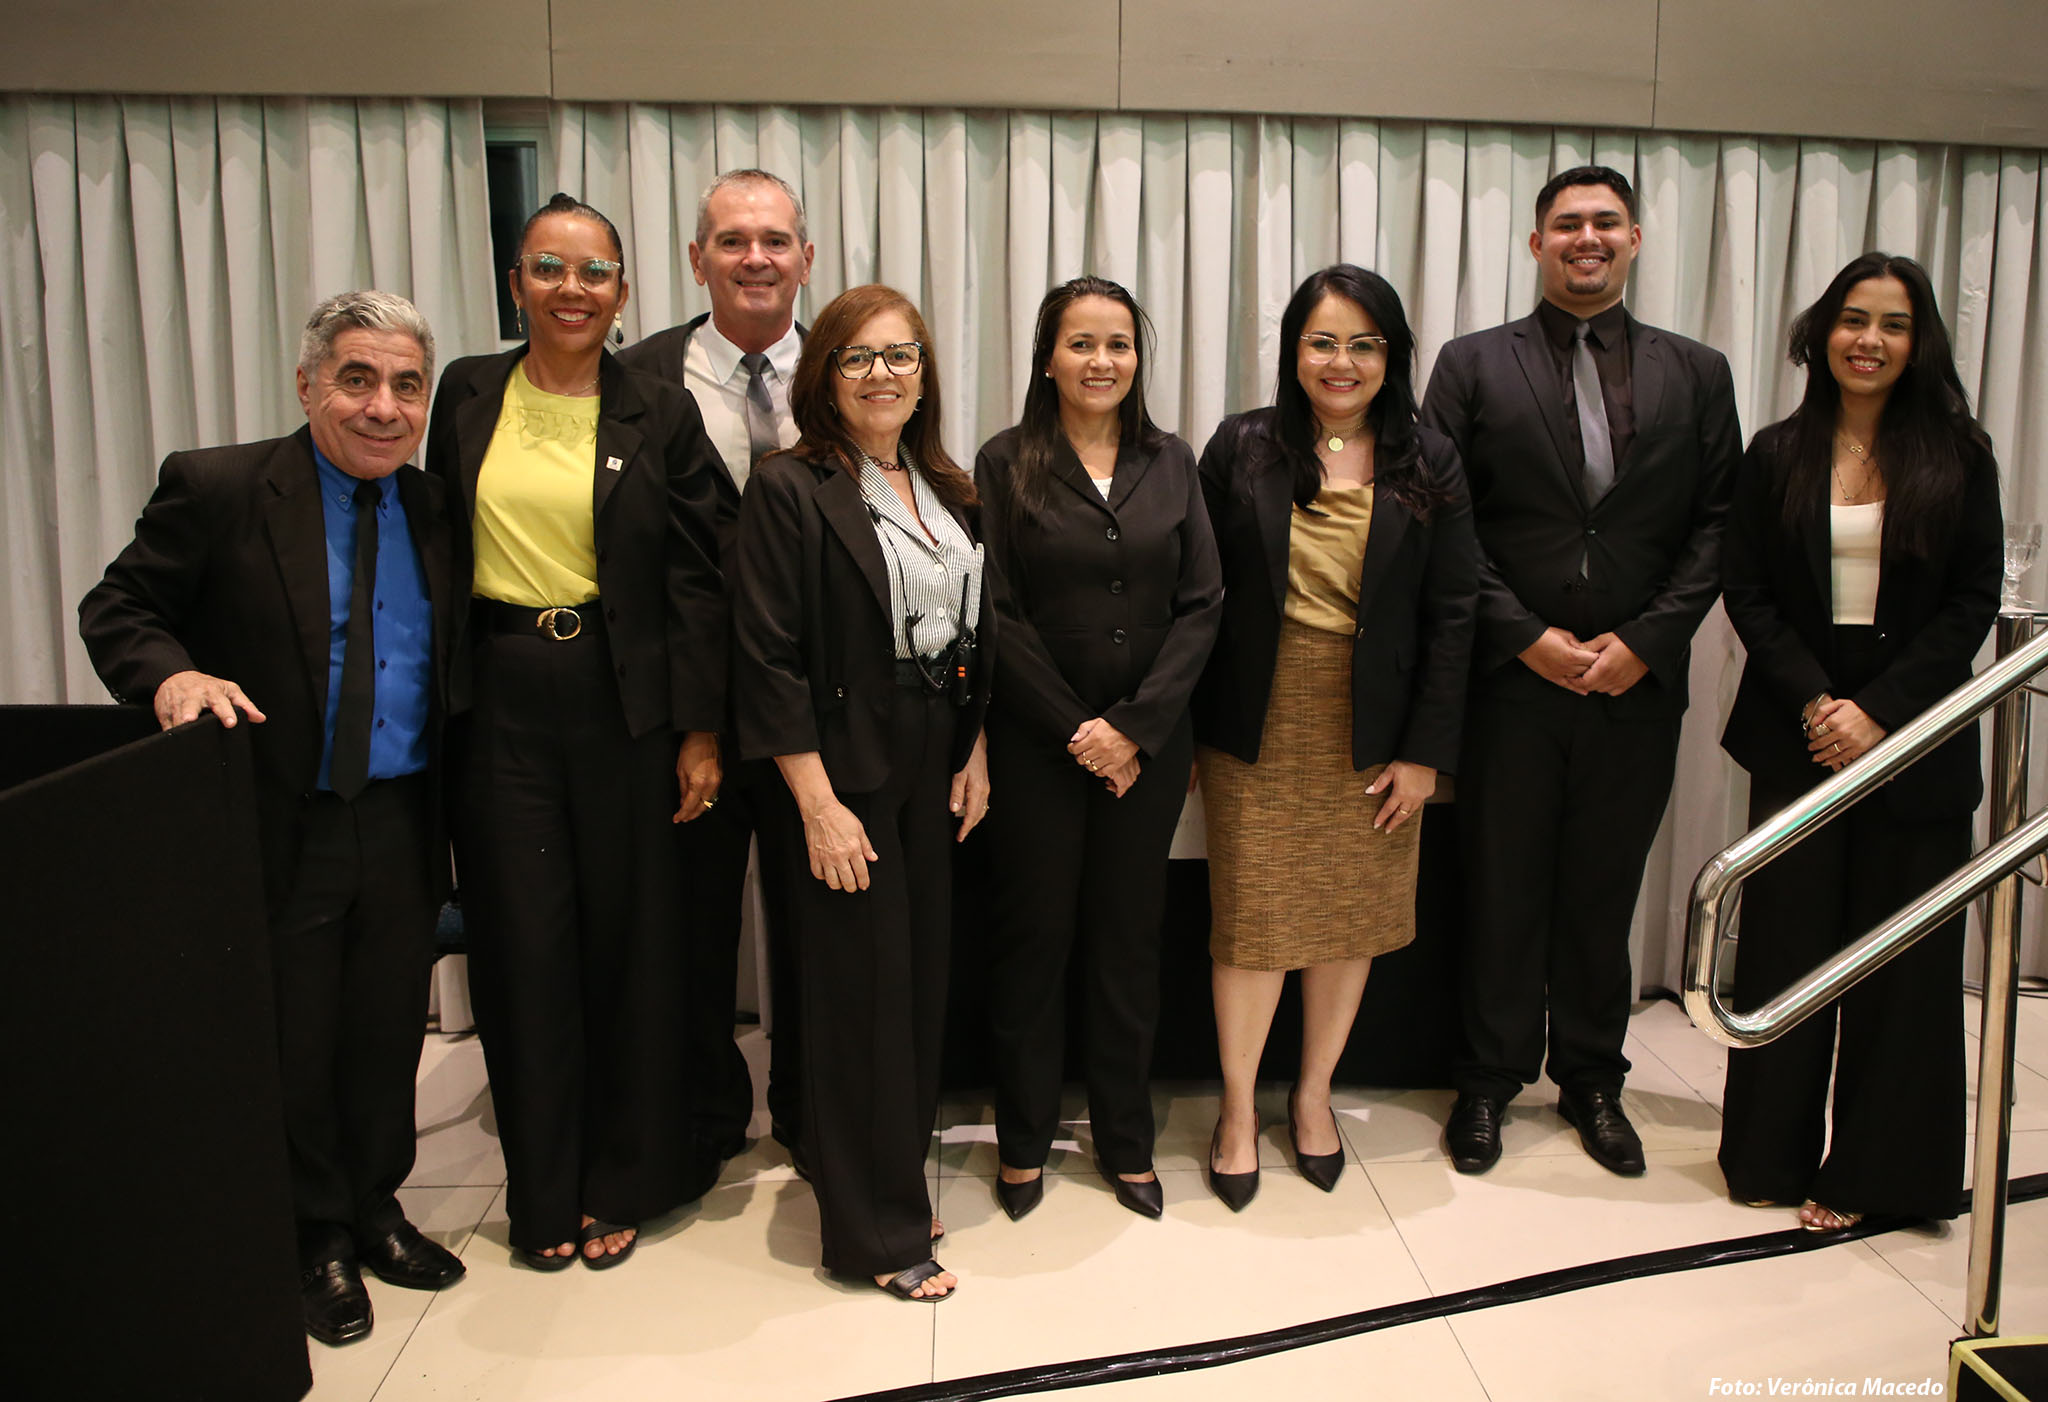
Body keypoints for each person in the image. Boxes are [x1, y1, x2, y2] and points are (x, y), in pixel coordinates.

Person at [79, 291, 464, 1346]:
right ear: (307, 385)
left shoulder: (435, 506)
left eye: (406, 386)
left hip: (402, 813)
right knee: (297, 1034)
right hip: (283, 814)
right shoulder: (220, 487)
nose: (383, 406)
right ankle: (313, 1235)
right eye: (357, 379)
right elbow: (119, 607)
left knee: (385, 1028)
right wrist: (171, 676)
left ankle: (376, 1206)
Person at [424, 193, 731, 1272]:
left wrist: (700, 731)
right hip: (498, 697)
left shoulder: (660, 409)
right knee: (521, 947)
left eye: (594, 271)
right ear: (516, 283)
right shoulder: (465, 392)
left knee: (628, 947)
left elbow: (698, 578)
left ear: (624, 291)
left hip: (623, 702)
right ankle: (542, 1190)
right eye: (548, 267)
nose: (571, 288)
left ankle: (621, 1178)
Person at [1421, 165, 1740, 1178]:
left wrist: (1644, 642)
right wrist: (1524, 635)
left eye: (1606, 222)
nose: (1586, 239)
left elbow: (1718, 526)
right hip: (1510, 683)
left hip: (1635, 686)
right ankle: (1486, 1080)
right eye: (1566, 224)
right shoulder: (1472, 365)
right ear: (1536, 244)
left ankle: (1593, 1078)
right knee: (1501, 889)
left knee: (1603, 894)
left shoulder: (1698, 372)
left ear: (1635, 239)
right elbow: (1441, 518)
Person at [1717, 252, 2001, 1231]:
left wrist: (1878, 711)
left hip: (1915, 742)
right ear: (1820, 332)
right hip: (1798, 736)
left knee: (1903, 973)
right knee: (1785, 956)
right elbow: (1746, 589)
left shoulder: (1960, 456)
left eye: (1892, 324)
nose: (1867, 340)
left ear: (1918, 343)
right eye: (1851, 319)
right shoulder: (1775, 452)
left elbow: (1970, 602)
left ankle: (1881, 1178)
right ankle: (1767, 1157)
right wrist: (1818, 702)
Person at [1192, 264, 1477, 1210]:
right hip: (1255, 717)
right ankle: (1239, 1109)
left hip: (1378, 728)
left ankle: (1313, 1095)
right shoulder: (1241, 446)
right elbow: (1196, 596)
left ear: (1391, 356)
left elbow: (1454, 613)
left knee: (1349, 917)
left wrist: (1425, 752)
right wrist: (1183, 731)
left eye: (1363, 343)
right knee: (1252, 921)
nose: (1341, 361)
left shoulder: (1429, 458)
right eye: (1322, 341)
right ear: (1293, 351)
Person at [731, 283, 993, 1300]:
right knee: (859, 999)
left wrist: (975, 749)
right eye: (858, 357)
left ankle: (889, 1180)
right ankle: (875, 1234)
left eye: (901, 355)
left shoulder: (948, 488)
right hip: (843, 768)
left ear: (924, 374)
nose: (883, 374)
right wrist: (815, 802)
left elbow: (977, 630)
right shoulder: (789, 487)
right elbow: (766, 658)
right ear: (825, 377)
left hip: (933, 761)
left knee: (916, 987)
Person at [974, 277, 1222, 1222]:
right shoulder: (1005, 461)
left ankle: (1126, 1139)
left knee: (1127, 944)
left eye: (1118, 343)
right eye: (1081, 343)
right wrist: (1080, 730)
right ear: (1048, 357)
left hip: (1145, 753)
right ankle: (1023, 1142)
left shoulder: (1172, 460)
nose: (1101, 360)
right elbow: (995, 611)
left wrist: (1135, 729)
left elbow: (1203, 604)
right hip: (1039, 747)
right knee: (1032, 944)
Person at [618, 168, 814, 1169]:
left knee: (821, 920)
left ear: (805, 258)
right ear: (696, 259)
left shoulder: (852, 370)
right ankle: (701, 1120)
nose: (755, 258)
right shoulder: (634, 378)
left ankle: (815, 1115)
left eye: (774, 240)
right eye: (732, 241)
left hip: (818, 710)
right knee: (689, 928)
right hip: (685, 708)